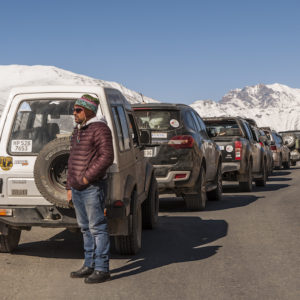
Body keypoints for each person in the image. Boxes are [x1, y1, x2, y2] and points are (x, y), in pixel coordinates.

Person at [66, 94, 114, 284]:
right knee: (85, 229)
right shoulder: (78, 131)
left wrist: (86, 178)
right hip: (77, 188)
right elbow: (71, 161)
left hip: (92, 187)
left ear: (88, 111)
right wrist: (69, 186)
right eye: (74, 110)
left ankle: (102, 269)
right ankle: (89, 265)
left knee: (97, 228)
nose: (74, 113)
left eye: (78, 110)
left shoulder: (100, 129)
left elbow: (106, 157)